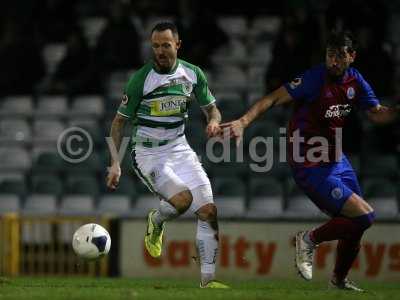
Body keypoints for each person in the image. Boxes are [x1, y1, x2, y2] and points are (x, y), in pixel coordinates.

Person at [220, 30, 398, 291]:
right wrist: (243, 121)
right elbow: (272, 98)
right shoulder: (314, 79)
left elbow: (377, 114)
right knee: (366, 216)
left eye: (339, 56)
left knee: (356, 226)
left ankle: (338, 280)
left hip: (338, 160)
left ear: (352, 57)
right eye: (330, 55)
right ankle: (309, 239)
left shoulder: (355, 81)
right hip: (309, 163)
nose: (333, 62)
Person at [106, 22, 228, 289]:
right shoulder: (141, 79)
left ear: (178, 45)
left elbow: (212, 109)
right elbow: (118, 122)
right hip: (148, 154)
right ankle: (157, 219)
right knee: (183, 201)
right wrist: (115, 162)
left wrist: (214, 122)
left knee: (208, 210)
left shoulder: (193, 74)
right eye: (156, 46)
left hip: (180, 149)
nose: (160, 51)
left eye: (165, 45)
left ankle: (208, 283)